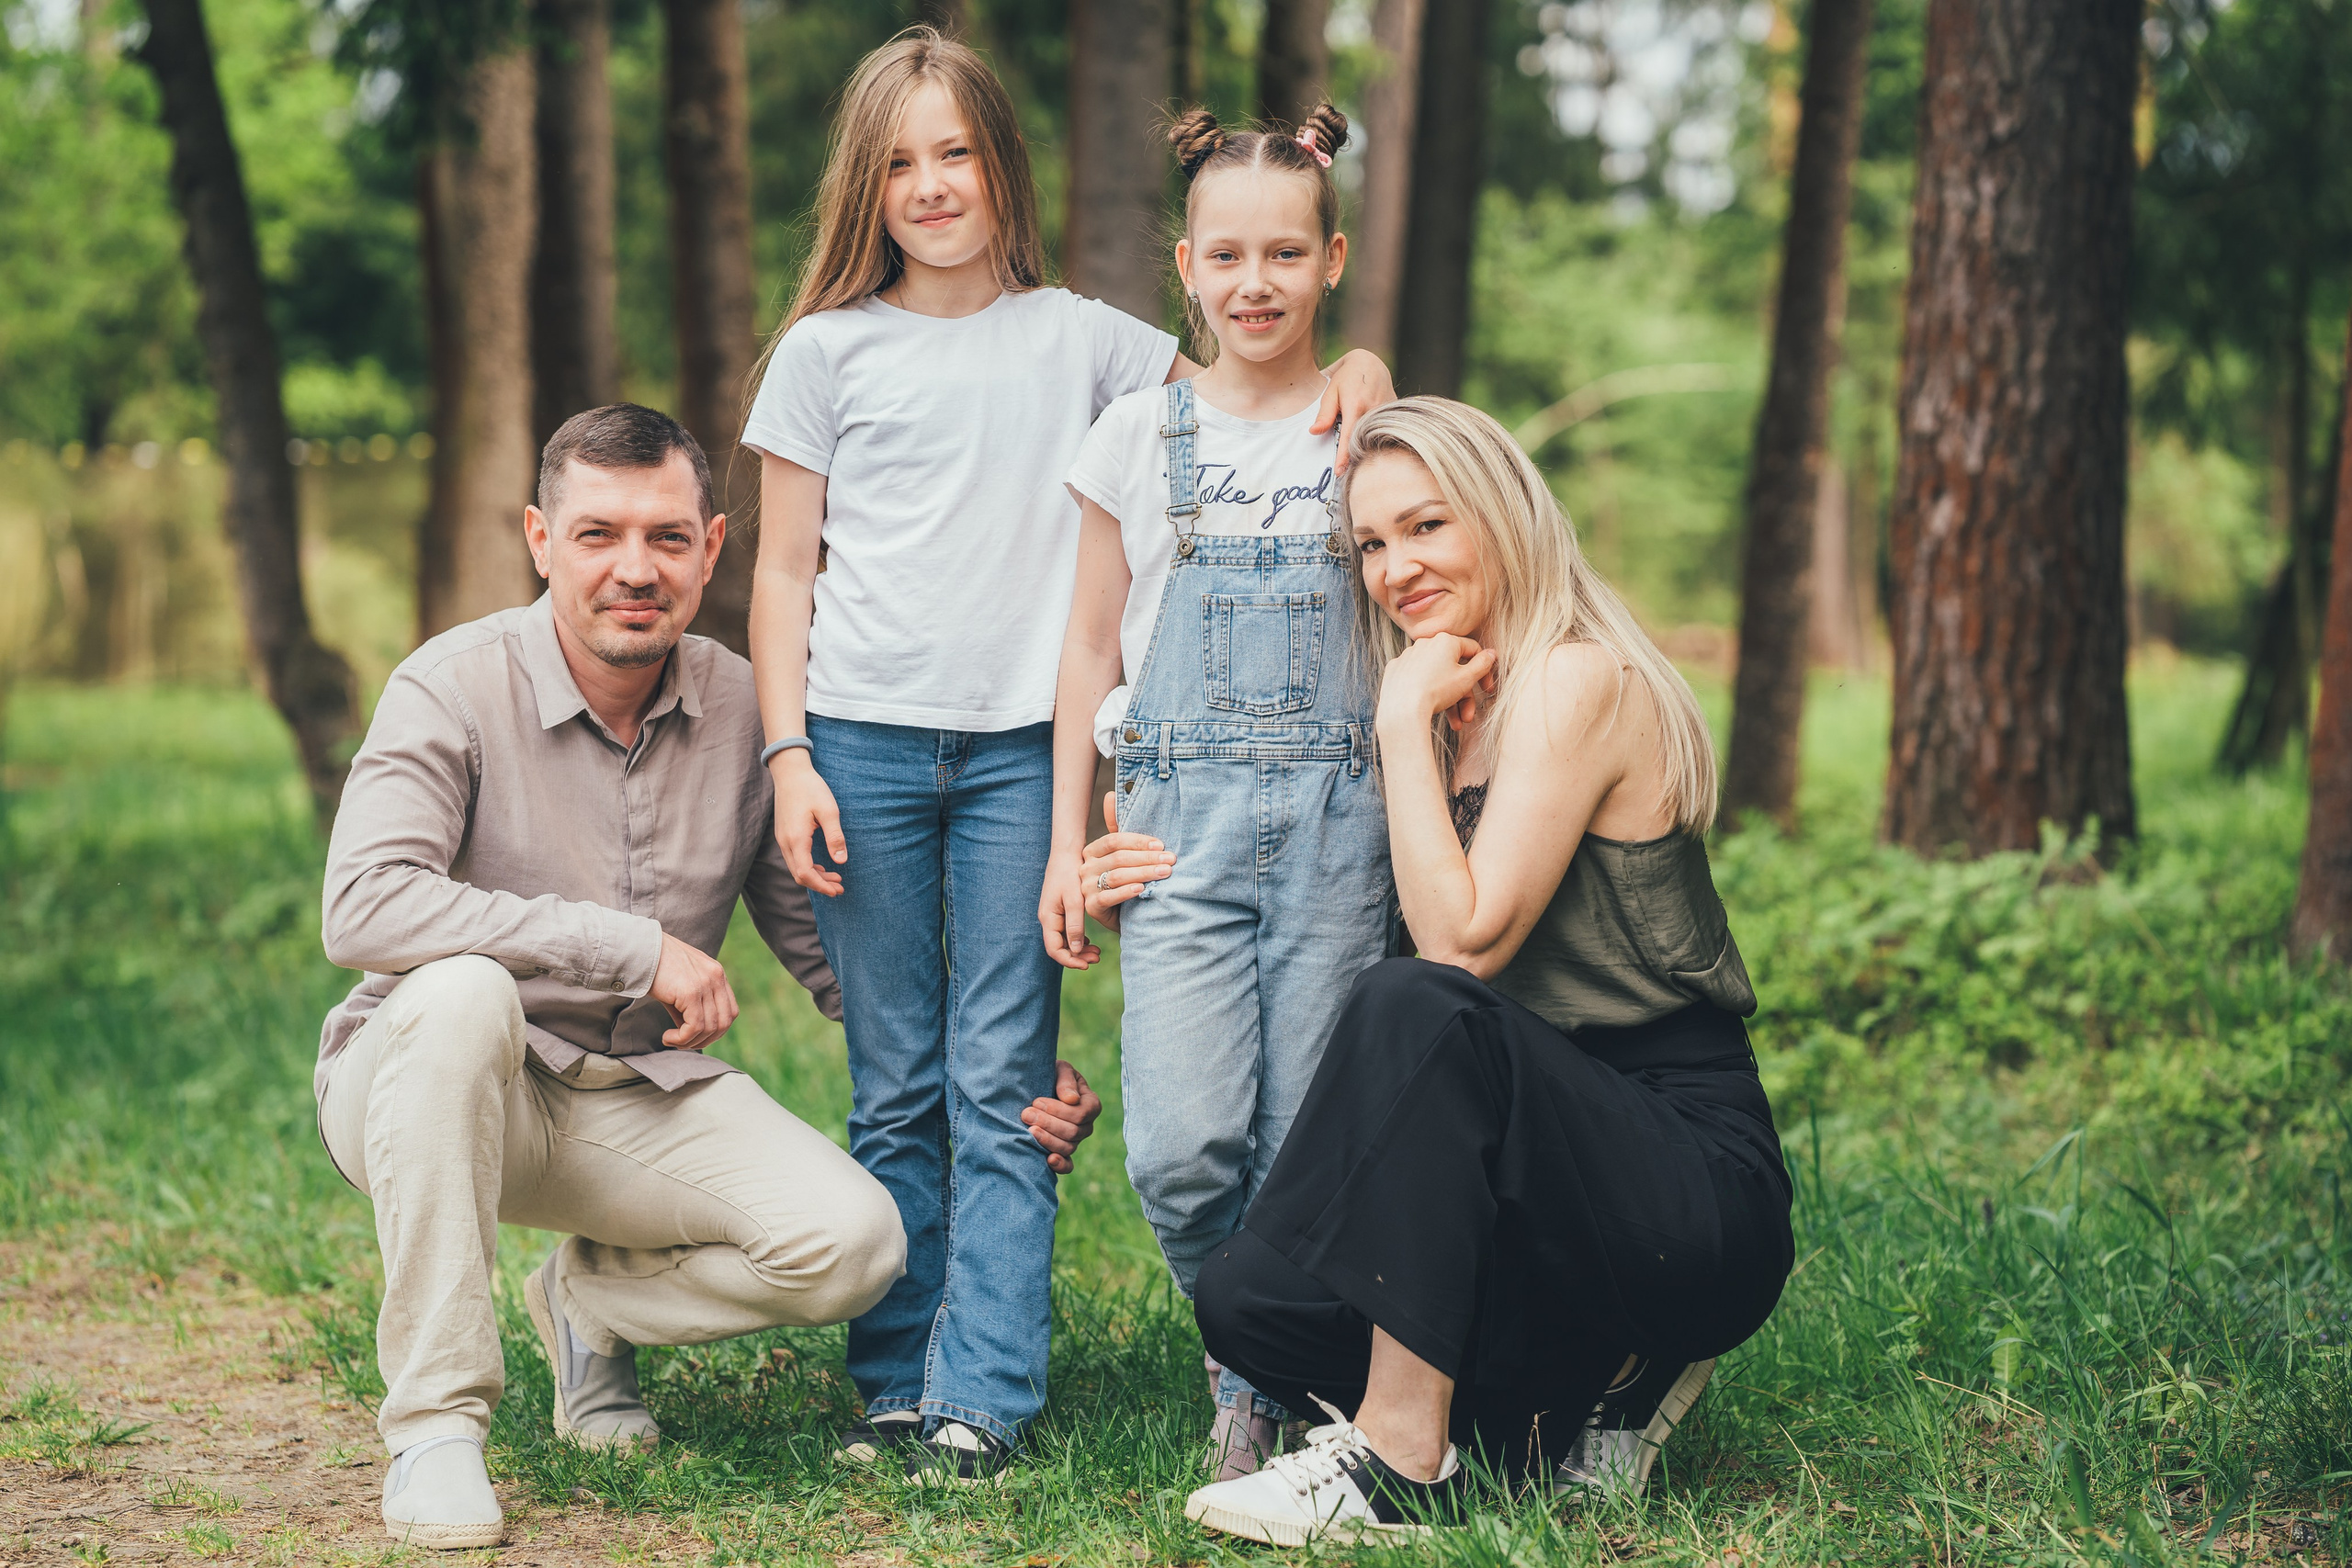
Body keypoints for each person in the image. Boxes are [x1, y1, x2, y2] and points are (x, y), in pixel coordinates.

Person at [740, 28, 1396, 1483]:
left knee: (1003, 1076)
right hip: (858, 738)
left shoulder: (1086, 337)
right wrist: (789, 750)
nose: (930, 185)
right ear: (865, 180)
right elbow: (783, 573)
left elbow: (1254, 381)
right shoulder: (822, 352)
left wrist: (1366, 363)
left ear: (1001, 162)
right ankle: (897, 1373)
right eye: (899, 161)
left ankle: (987, 1387)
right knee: (893, 1078)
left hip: (1021, 760)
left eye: (955, 152)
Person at [315, 404, 1102, 1550]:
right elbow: (363, 905)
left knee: (855, 1245)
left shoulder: (744, 708)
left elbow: (834, 948)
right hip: (422, 1078)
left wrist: (1006, 1070)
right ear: (540, 538)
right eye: (598, 535)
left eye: (666, 538)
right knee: (461, 990)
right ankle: (437, 1426)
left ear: (714, 546)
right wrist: (632, 949)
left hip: (622, 1095)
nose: (633, 569)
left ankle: (584, 1307)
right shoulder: (453, 683)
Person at [1180, 398, 1795, 1545]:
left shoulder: (1575, 679)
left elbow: (1458, 951)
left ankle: (1402, 1460)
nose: (1395, 568)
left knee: (1427, 997)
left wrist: (1398, 727)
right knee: (1246, 1302)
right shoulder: (1450, 696)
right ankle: (1595, 1395)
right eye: (1370, 544)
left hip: (1679, 1174)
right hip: (1531, 1195)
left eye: (1426, 527)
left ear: (1503, 516)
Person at [1044, 103, 1391, 1483]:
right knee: (1186, 1145)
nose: (1257, 283)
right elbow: (1083, 648)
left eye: (1286, 255)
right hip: (1172, 827)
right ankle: (1242, 1339)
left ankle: (1276, 1384)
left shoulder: (1368, 428)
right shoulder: (1136, 435)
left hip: (1338, 827)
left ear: (1332, 259)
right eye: (1228, 255)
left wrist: (1380, 374)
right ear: (1180, 264)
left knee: (1307, 1130)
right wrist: (1071, 841)